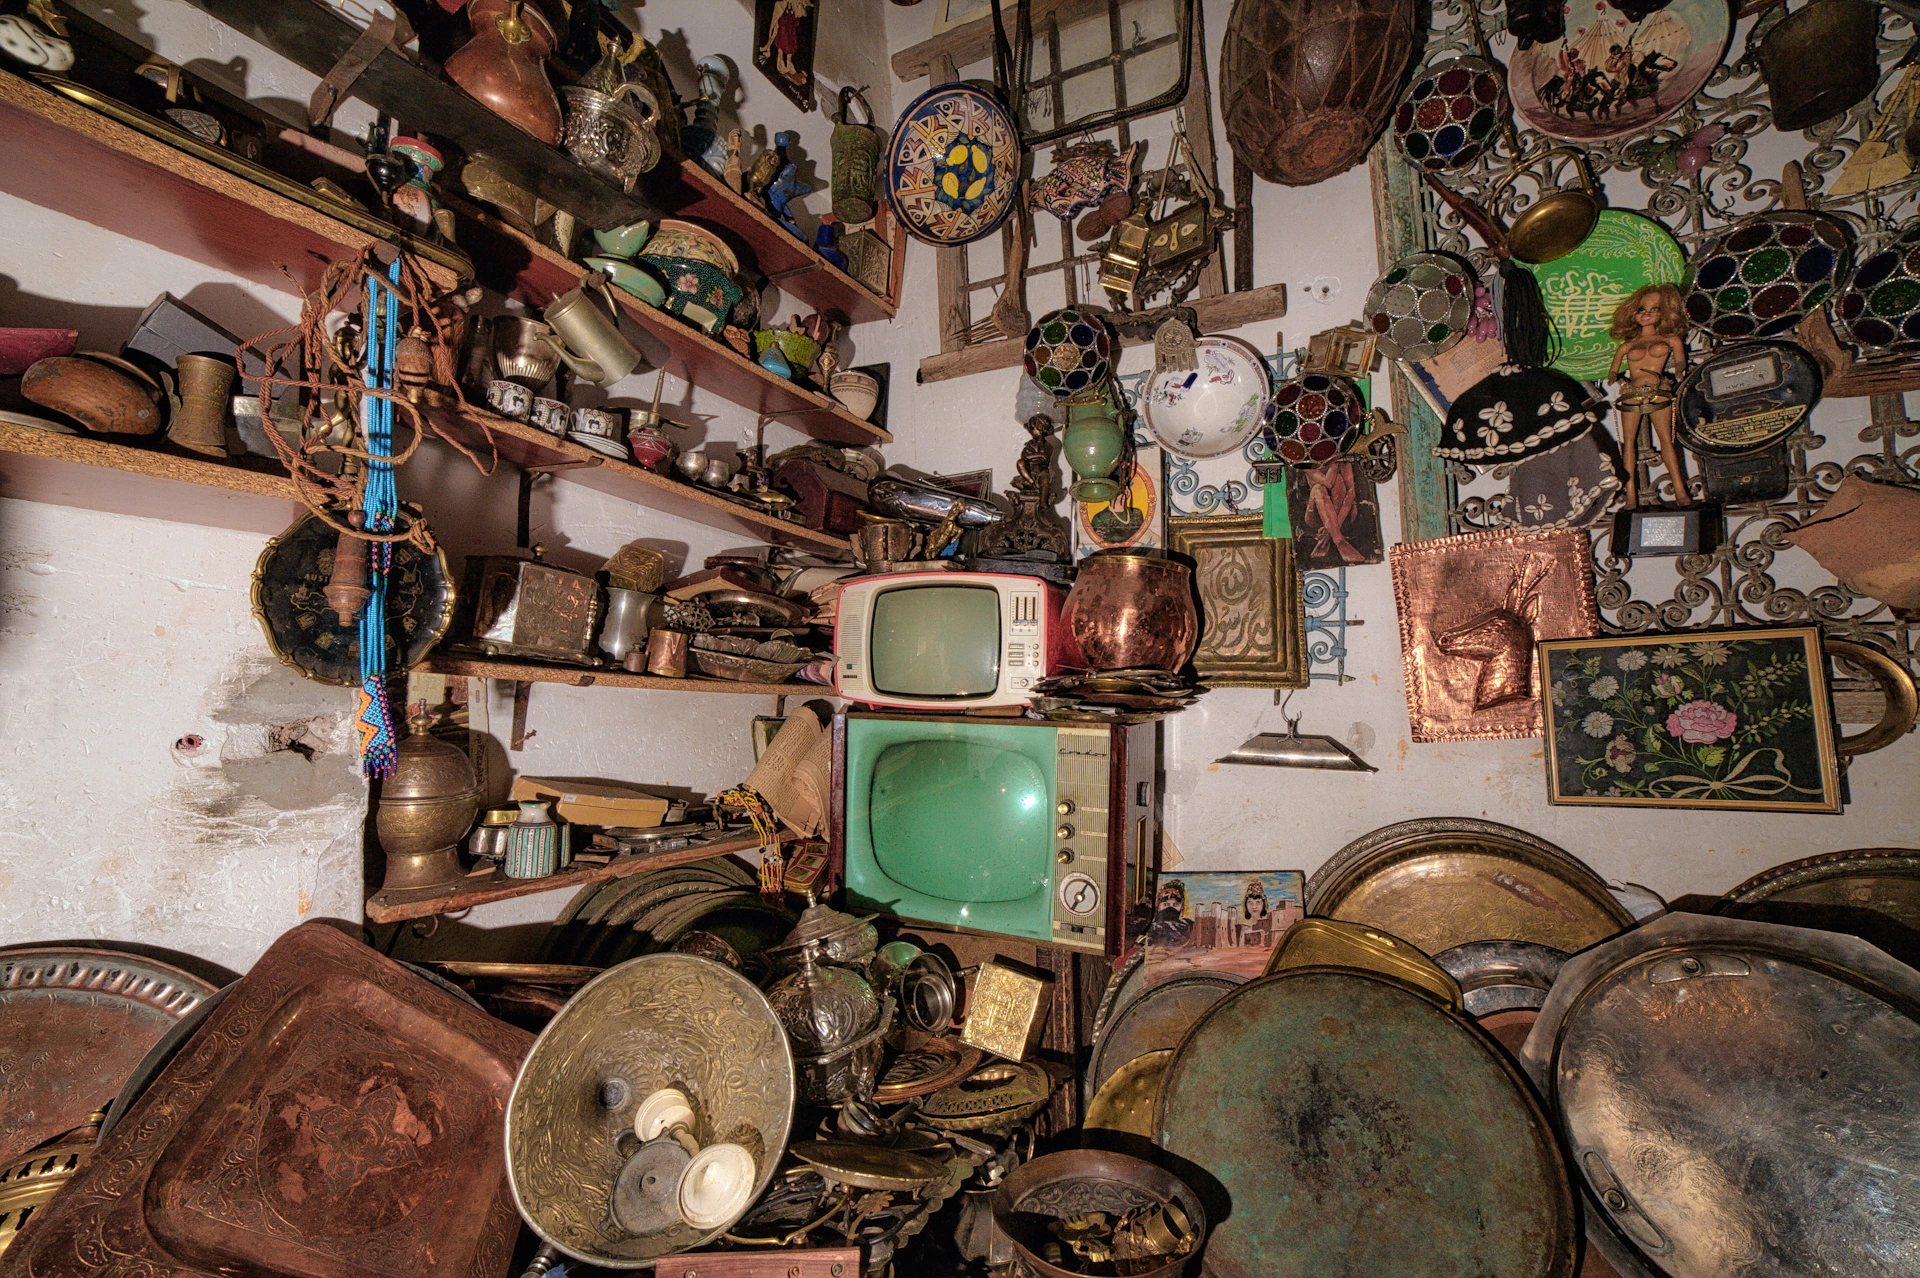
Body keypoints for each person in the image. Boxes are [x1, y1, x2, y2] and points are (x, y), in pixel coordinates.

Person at [1606, 282, 1690, 507]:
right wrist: (1613, 377)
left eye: (1654, 309)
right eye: (1642, 310)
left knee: (1667, 441)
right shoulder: (1626, 345)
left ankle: (1681, 492)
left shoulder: (1671, 340)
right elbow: (1613, 370)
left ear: (1664, 313)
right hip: (1631, 392)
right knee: (1628, 444)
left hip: (1658, 390)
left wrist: (1680, 370)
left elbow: (1680, 361)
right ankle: (1631, 493)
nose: (1647, 314)